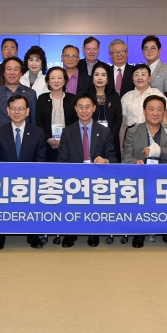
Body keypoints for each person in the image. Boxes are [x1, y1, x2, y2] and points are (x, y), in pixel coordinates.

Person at [122, 95, 167, 248]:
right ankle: (139, 232)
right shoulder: (132, 131)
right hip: (140, 176)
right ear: (144, 111)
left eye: (159, 109)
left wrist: (158, 151)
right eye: (151, 109)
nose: (155, 113)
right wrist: (135, 162)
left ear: (164, 112)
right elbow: (126, 157)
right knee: (141, 192)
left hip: (165, 177)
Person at [57, 92, 118, 248]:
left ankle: (93, 231)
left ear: (94, 108)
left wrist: (105, 161)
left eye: (87, 107)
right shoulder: (67, 132)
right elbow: (62, 160)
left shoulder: (104, 131)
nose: (84, 111)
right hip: (73, 178)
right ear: (75, 109)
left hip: (97, 178)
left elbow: (113, 158)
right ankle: (69, 232)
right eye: (80, 107)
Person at [0, 95, 45, 250]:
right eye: (13, 108)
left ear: (28, 111)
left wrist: (29, 178)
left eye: (21, 108)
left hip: (30, 180)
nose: (17, 112)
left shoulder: (38, 132)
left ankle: (33, 235)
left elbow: (40, 160)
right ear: (8, 111)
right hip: (5, 180)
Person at [0, 57, 38, 154]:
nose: (12, 73)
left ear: (21, 73)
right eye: (9, 69)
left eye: (16, 69)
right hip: (0, 144)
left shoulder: (31, 94)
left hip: (25, 144)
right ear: (3, 73)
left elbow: (33, 121)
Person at [120, 63, 167, 153]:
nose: (140, 78)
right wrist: (121, 148)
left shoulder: (157, 94)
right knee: (133, 160)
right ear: (132, 78)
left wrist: (162, 140)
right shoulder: (126, 97)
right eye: (136, 75)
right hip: (132, 135)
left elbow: (165, 120)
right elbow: (123, 125)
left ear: (149, 77)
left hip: (154, 134)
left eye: (143, 74)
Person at [35, 66, 77, 162]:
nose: (56, 81)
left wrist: (65, 140)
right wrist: (48, 139)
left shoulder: (72, 98)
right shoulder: (42, 98)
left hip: (69, 145)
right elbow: (39, 122)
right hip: (47, 145)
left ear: (65, 81)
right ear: (48, 81)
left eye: (59, 78)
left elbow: (75, 122)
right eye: (53, 78)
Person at [88, 62, 123, 160]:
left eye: (103, 75)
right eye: (96, 74)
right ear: (92, 78)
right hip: (90, 140)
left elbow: (118, 119)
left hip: (111, 140)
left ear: (108, 79)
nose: (100, 78)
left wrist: (109, 136)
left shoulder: (114, 96)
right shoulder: (87, 96)